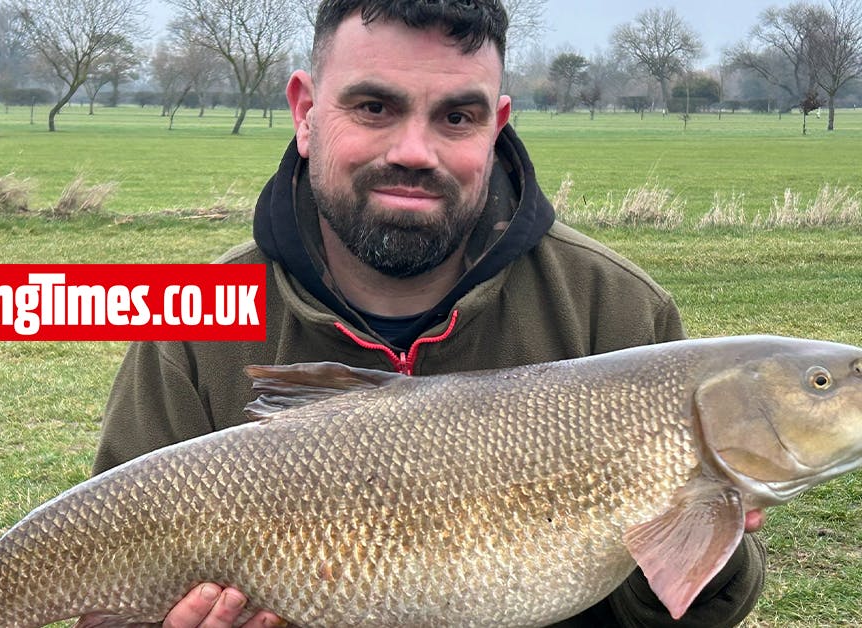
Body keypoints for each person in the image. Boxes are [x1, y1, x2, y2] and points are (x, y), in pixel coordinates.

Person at [92, 1, 767, 626]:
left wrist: (699, 545)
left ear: (496, 126)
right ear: (304, 113)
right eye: (375, 107)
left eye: (456, 117)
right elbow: (108, 572)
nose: (414, 152)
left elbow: (676, 617)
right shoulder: (190, 320)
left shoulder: (615, 308)